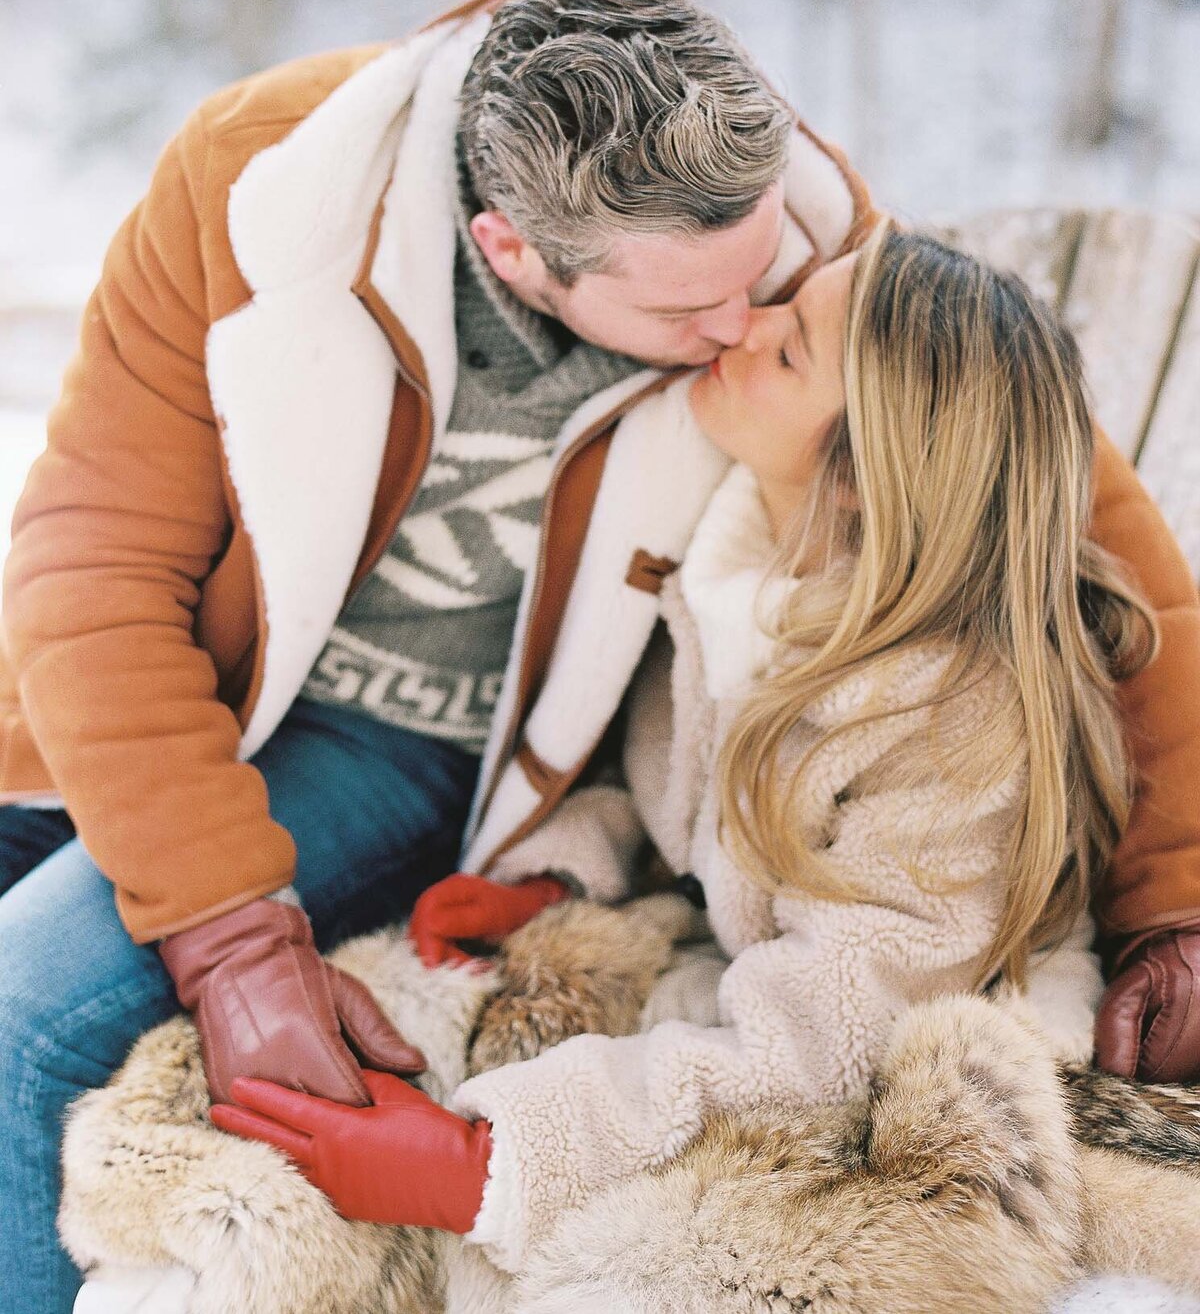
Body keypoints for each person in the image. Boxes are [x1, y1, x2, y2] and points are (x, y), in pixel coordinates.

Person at [0, 0, 1196, 1310]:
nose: (745, 322)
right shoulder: (262, 189)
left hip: (418, 738)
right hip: (159, 700)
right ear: (514, 250)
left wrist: (1180, 896)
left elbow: (1081, 536)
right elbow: (92, 564)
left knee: (25, 1020)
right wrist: (234, 938)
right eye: (695, 315)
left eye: (770, 285)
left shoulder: (782, 242)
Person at [211, 221, 1160, 1274]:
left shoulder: (953, 722)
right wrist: (559, 876)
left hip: (912, 1078)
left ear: (863, 473)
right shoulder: (743, 575)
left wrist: (490, 1161)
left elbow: (832, 1043)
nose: (741, 326)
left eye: (789, 348)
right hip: (762, 996)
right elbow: (682, 794)